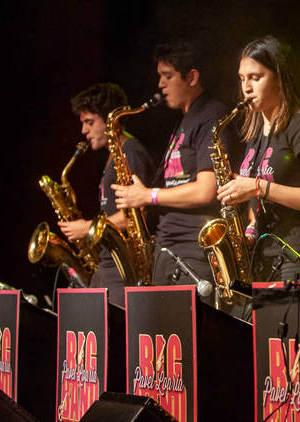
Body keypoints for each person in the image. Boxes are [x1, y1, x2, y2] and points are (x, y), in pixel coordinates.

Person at [112, 40, 237, 290]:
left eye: (168, 76)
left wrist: (148, 195)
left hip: (194, 250)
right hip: (170, 249)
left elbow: (206, 190)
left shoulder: (211, 114)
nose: (160, 85)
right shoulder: (184, 121)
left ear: (192, 77)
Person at [216, 36, 300, 282]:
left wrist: (258, 187)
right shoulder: (256, 134)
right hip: (264, 260)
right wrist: (248, 233)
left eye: (255, 77)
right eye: (242, 78)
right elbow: (256, 206)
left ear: (280, 79)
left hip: (299, 258)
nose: (246, 87)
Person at [59, 82, 154, 306]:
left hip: (124, 269)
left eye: (90, 123)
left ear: (112, 121)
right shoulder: (114, 156)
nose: (84, 131)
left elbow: (137, 216)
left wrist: (87, 228)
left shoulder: (131, 152)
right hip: (108, 265)